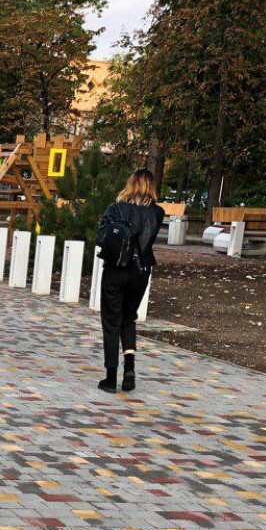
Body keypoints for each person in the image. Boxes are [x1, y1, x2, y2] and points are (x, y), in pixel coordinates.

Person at [95, 168, 163, 393]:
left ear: (130, 184)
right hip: (141, 270)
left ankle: (110, 377)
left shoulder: (116, 208)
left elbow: (101, 238)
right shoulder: (157, 212)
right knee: (128, 318)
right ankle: (130, 370)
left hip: (116, 269)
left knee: (111, 321)